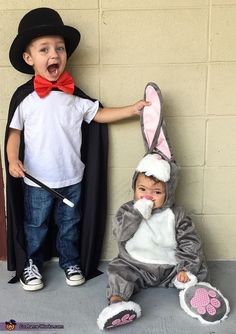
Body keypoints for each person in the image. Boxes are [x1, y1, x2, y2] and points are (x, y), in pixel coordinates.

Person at [5, 7, 150, 292]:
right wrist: (12, 159)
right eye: (44, 49)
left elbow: (100, 114)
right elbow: (14, 133)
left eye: (59, 48)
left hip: (73, 178)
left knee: (69, 225)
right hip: (37, 180)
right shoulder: (25, 99)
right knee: (36, 225)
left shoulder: (74, 97)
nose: (54, 54)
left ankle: (70, 261)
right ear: (28, 58)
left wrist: (133, 109)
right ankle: (31, 264)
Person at [97, 82, 208, 330]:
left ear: (168, 192)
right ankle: (117, 303)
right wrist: (137, 213)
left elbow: (190, 242)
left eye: (157, 192)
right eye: (142, 190)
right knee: (117, 270)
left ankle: (196, 294)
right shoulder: (129, 209)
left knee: (196, 269)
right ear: (134, 187)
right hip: (136, 265)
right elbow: (120, 234)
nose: (148, 196)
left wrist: (186, 268)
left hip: (170, 267)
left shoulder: (176, 214)